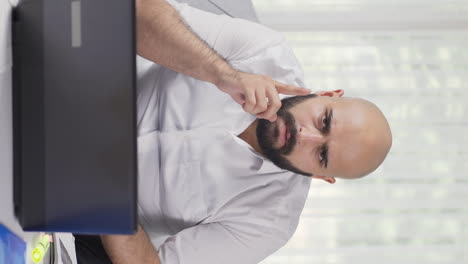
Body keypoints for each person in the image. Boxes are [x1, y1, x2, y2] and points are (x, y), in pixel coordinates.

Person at [85, 0, 393, 264]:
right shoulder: (265, 52)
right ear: (327, 94)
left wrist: (105, 191)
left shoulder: (270, 222)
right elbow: (133, 14)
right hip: (84, 89)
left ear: (321, 177)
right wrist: (222, 73)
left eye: (322, 154)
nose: (305, 135)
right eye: (323, 121)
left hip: (96, 215)